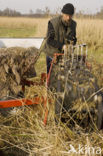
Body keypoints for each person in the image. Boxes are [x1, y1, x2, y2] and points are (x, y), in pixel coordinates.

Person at [40, 3, 77, 74]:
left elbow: (74, 38)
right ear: (62, 14)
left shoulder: (73, 24)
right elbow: (49, 40)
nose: (68, 18)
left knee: (64, 76)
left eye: (70, 16)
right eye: (66, 15)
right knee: (51, 77)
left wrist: (72, 43)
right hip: (52, 53)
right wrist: (62, 46)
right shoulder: (53, 23)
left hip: (64, 55)